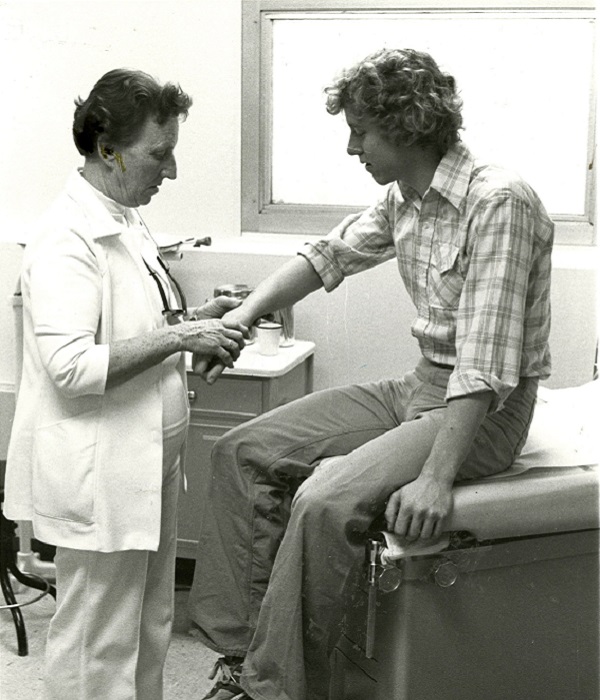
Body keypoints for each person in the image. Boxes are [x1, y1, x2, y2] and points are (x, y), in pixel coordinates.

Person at [189, 48, 553, 700]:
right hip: (422, 383)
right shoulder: (405, 199)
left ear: (409, 126)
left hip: (484, 409)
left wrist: (438, 477)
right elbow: (327, 257)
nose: (353, 145)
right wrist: (238, 319)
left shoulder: (500, 203)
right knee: (242, 452)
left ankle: (269, 691)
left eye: (362, 130)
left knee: (325, 498)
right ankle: (242, 661)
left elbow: (485, 362)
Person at [3, 68, 247, 699]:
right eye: (159, 156)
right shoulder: (66, 237)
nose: (170, 173)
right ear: (107, 149)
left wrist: (197, 319)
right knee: (97, 640)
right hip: (100, 471)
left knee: (148, 624)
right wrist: (182, 338)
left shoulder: (125, 219)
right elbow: (73, 367)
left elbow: (140, 325)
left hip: (145, 464)